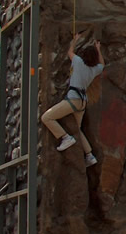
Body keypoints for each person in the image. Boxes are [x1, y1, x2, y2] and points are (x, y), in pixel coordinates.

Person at [41, 33, 104, 166]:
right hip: (82, 101)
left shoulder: (78, 62)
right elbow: (102, 64)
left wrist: (74, 41)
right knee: (78, 129)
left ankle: (65, 137)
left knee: (46, 118)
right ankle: (89, 155)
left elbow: (70, 52)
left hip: (73, 99)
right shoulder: (94, 70)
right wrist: (98, 50)